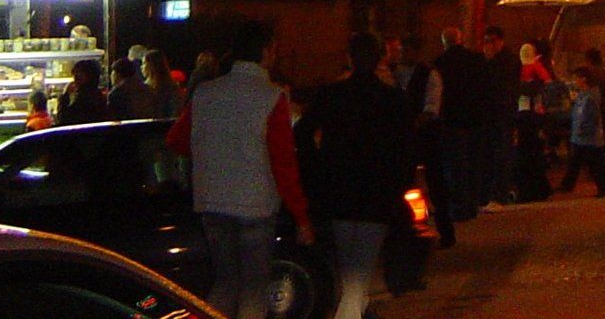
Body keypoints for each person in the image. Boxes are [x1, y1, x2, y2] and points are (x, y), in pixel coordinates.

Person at [166, 21, 314, 319]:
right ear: (264, 51)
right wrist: (301, 218)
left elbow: (177, 140)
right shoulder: (271, 97)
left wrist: (213, 153)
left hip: (212, 204)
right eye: (273, 49)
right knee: (253, 290)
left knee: (225, 283)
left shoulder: (206, 93)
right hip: (255, 205)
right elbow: (283, 163)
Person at [294, 32, 415, 319]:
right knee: (360, 273)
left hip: (339, 191)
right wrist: (398, 182)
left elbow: (302, 131)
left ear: (349, 58)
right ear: (379, 59)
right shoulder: (393, 99)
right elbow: (408, 147)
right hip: (377, 195)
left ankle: (353, 311)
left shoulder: (331, 95)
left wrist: (318, 168)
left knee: (350, 271)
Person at [431, 27, 491, 223]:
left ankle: (458, 207)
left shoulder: (440, 63)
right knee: (473, 163)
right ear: (460, 39)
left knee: (455, 166)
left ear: (444, 42)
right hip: (475, 119)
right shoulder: (476, 60)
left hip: (451, 120)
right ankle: (472, 204)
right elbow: (485, 87)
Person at [401, 37, 454, 244]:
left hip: (427, 137)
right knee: (403, 183)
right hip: (408, 137)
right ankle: (406, 230)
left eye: (406, 50)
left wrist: (412, 123)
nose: (403, 55)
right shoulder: (397, 73)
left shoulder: (429, 75)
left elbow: (432, 108)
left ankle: (446, 232)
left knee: (436, 184)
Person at [481, 26, 522, 209]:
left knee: (501, 154)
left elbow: (502, 87)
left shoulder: (509, 61)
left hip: (503, 114)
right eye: (486, 41)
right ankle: (491, 193)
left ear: (500, 41)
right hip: (491, 114)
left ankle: (499, 194)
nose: (488, 45)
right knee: (491, 154)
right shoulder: (491, 60)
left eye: (491, 41)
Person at [558, 67, 605, 197]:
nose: (574, 81)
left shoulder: (589, 98)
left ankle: (604, 188)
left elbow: (590, 118)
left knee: (593, 163)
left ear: (583, 79)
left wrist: (582, 129)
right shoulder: (585, 96)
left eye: (576, 78)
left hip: (587, 137)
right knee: (581, 162)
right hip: (583, 136)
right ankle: (568, 184)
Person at [512, 43, 553, 204]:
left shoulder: (522, 72)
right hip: (535, 117)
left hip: (526, 117)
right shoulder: (540, 70)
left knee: (526, 154)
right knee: (534, 153)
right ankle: (540, 188)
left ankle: (529, 190)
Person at [58, 59, 111, 125]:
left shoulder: (83, 100)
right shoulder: (100, 97)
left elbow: (63, 120)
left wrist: (65, 96)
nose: (75, 80)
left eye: (77, 76)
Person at [145, 49, 187, 117]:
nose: (141, 67)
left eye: (144, 63)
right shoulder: (172, 87)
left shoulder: (147, 88)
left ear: (151, 65)